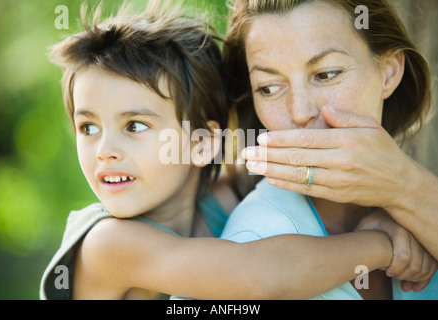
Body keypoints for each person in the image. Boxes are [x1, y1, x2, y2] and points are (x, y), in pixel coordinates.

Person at [40, 0, 434, 300]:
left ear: (202, 144)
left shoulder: (221, 197)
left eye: (135, 126)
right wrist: (379, 245)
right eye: (88, 127)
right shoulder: (108, 243)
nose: (105, 150)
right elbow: (258, 275)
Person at [222, 0, 438, 299]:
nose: (299, 112)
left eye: (326, 74)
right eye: (268, 88)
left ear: (388, 72)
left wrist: (405, 191)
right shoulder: (254, 237)